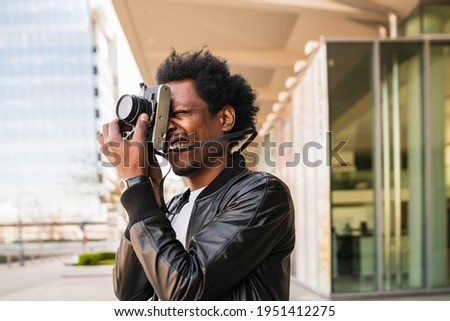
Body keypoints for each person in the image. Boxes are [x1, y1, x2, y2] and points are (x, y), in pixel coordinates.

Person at [98, 48, 295, 301]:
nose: (167, 128)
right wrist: (148, 194)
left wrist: (136, 186)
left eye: (179, 114)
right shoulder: (173, 207)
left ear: (225, 118)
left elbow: (184, 290)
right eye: (161, 119)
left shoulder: (262, 194)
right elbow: (130, 293)